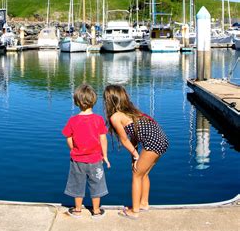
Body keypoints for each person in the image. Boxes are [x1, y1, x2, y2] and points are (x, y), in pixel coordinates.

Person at [103, 84, 169, 220]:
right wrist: (135, 158)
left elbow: (124, 140)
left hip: (152, 143)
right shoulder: (131, 112)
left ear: (110, 101)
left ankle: (135, 211)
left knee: (136, 175)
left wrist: (136, 154)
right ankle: (144, 203)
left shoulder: (115, 117)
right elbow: (134, 137)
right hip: (161, 140)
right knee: (143, 173)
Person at [62, 83, 110, 219]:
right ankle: (96, 211)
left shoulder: (73, 121)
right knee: (97, 184)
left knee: (77, 184)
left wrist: (73, 149)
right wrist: (105, 156)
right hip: (95, 159)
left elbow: (69, 138)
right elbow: (103, 139)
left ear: (77, 102)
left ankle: (77, 210)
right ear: (93, 101)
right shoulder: (99, 120)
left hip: (77, 159)